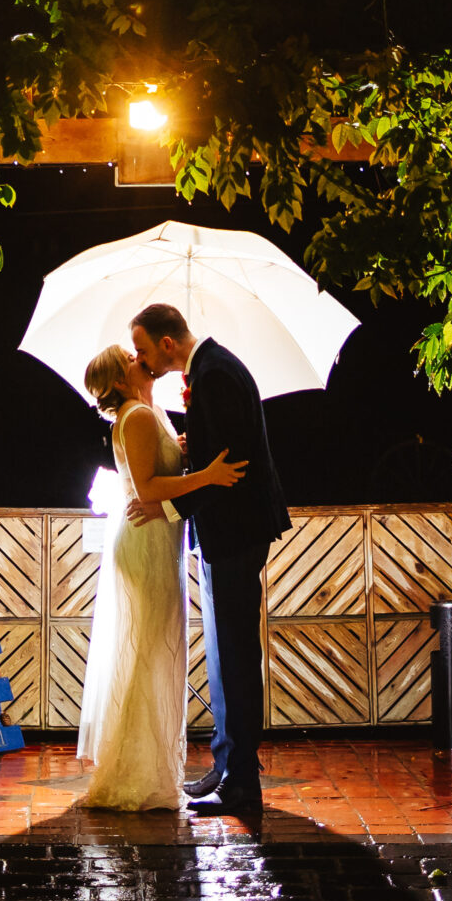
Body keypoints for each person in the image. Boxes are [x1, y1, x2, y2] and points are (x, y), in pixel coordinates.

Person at [126, 302, 290, 812]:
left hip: (236, 531)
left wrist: (167, 507)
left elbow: (231, 468)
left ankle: (242, 782)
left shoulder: (215, 374)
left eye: (144, 349)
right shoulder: (213, 368)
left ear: (167, 344)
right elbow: (221, 449)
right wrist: (193, 446)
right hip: (230, 531)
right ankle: (226, 766)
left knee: (236, 656)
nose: (143, 359)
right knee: (223, 655)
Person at [74, 343, 247, 810]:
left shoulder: (145, 415)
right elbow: (148, 489)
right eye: (128, 358)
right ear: (118, 379)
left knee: (148, 651)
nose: (139, 358)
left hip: (152, 541)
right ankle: (137, 773)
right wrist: (209, 475)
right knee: (148, 652)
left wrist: (183, 451)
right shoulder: (140, 417)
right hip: (147, 543)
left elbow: (155, 468)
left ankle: (143, 768)